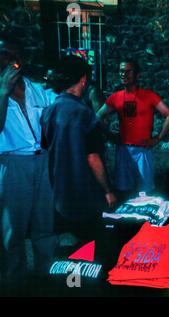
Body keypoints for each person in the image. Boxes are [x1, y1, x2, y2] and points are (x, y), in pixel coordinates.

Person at [40, 56, 117, 243]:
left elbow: (46, 148)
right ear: (83, 80)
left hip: (60, 193)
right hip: (85, 195)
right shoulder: (84, 114)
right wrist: (107, 190)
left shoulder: (49, 111)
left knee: (69, 244)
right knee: (90, 246)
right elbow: (93, 158)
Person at [0, 33, 56, 286]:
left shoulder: (37, 90)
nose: (11, 61)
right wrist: (3, 92)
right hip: (13, 163)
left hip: (42, 161)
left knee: (44, 220)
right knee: (13, 225)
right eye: (5, 55)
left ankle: (46, 271)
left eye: (15, 56)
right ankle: (15, 278)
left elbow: (59, 111)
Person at [97, 59, 169, 199]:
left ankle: (144, 220)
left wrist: (157, 139)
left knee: (145, 193)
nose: (124, 74)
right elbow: (97, 116)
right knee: (124, 192)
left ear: (137, 74)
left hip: (143, 150)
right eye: (121, 71)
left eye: (128, 71)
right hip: (123, 150)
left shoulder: (149, 96)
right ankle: (125, 220)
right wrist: (110, 135)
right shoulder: (116, 97)